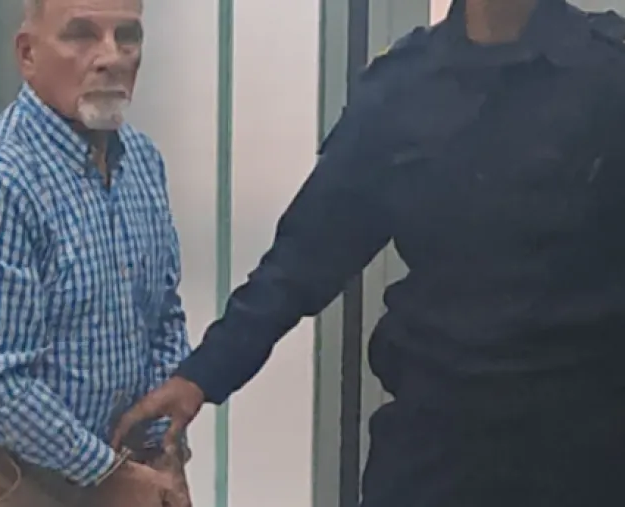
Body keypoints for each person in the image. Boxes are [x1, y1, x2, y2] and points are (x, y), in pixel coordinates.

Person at [113, 1, 625, 506]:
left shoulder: (609, 73)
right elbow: (305, 257)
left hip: (583, 446)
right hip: (437, 444)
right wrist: (202, 376)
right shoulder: (402, 88)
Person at [0, 0, 193, 506]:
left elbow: (163, 316)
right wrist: (109, 475)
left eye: (128, 36)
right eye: (81, 34)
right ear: (28, 54)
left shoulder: (142, 162)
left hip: (122, 463)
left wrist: (161, 448)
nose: (111, 57)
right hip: (4, 472)